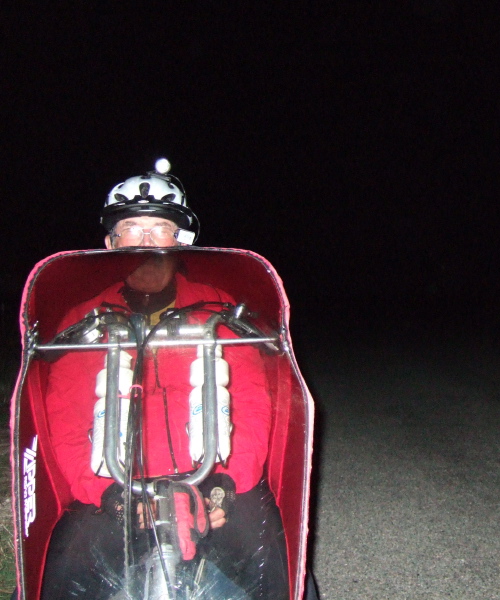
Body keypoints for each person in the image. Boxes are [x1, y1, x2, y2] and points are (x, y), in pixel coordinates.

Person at [37, 160, 316, 599]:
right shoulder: (85, 321)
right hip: (115, 492)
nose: (144, 240)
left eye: (159, 227)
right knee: (59, 574)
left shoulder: (219, 310)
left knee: (274, 567)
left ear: (181, 240)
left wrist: (223, 484)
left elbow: (251, 404)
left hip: (212, 481)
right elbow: (65, 421)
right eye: (130, 227)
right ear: (110, 242)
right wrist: (108, 495)